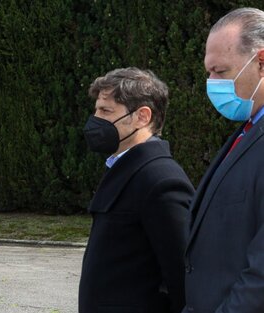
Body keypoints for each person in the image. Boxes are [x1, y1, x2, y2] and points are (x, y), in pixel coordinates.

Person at [79, 67, 194, 313]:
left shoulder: (160, 179)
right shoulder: (126, 167)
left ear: (142, 116)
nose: (96, 119)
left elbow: (182, 275)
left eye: (106, 111)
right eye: (96, 109)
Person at [184, 7, 264, 313]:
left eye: (221, 71)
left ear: (261, 62)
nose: (212, 82)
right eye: (209, 72)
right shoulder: (247, 132)